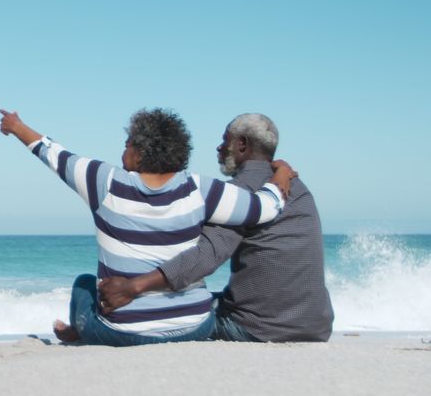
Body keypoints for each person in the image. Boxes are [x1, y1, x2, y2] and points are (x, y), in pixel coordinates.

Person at [0, 108, 297, 346]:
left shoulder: (103, 181)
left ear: (141, 152)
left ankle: (83, 332)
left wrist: (15, 126)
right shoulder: (200, 189)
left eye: (127, 144)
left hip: (125, 332)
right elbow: (263, 209)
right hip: (196, 327)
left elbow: (52, 154)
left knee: (83, 285)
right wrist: (280, 176)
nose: (122, 151)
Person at [97, 113, 334, 342]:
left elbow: (204, 257)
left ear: (242, 145)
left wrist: (134, 286)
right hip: (316, 325)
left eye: (224, 141)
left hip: (259, 328)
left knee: (176, 312)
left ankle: (92, 328)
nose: (219, 148)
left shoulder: (238, 195)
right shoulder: (298, 187)